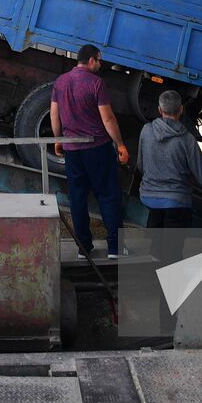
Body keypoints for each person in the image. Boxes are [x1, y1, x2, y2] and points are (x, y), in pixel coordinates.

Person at [51, 44, 128, 259]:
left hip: (73, 149)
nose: (101, 64)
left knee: (77, 199)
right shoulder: (96, 83)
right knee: (108, 196)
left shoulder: (61, 81)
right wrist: (120, 144)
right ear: (92, 60)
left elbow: (54, 115)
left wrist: (58, 140)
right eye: (100, 60)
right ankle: (115, 248)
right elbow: (108, 119)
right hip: (98, 148)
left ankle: (83, 248)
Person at [138, 89, 202, 232]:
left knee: (157, 245)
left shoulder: (146, 130)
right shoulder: (187, 140)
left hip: (149, 197)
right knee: (173, 251)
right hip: (176, 201)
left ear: (160, 110)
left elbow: (141, 167)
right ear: (181, 110)